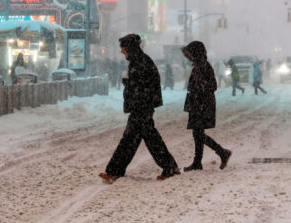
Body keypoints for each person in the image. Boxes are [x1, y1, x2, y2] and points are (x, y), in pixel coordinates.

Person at [99, 34, 180, 183]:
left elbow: (144, 85)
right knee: (145, 138)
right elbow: (143, 84)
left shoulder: (141, 62)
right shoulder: (139, 61)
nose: (121, 51)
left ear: (129, 47)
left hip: (142, 106)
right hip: (142, 106)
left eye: (123, 48)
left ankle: (114, 171)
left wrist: (130, 84)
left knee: (130, 139)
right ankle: (169, 166)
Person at [181, 41, 232, 172]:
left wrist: (199, 90)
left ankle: (220, 153)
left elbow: (212, 85)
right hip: (198, 103)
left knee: (198, 133)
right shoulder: (198, 65)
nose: (189, 57)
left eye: (191, 53)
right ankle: (201, 160)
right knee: (197, 133)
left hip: (202, 104)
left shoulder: (204, 66)